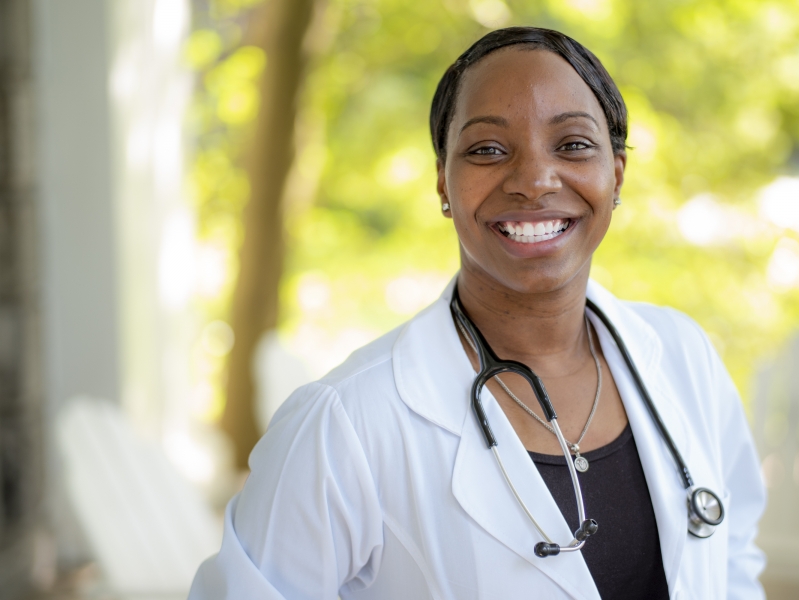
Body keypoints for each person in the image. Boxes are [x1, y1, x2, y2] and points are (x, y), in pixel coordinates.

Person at [189, 26, 766, 599]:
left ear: (616, 174)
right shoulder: (346, 424)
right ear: (444, 182)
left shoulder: (683, 355)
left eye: (572, 145)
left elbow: (733, 558)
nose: (534, 180)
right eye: (488, 149)